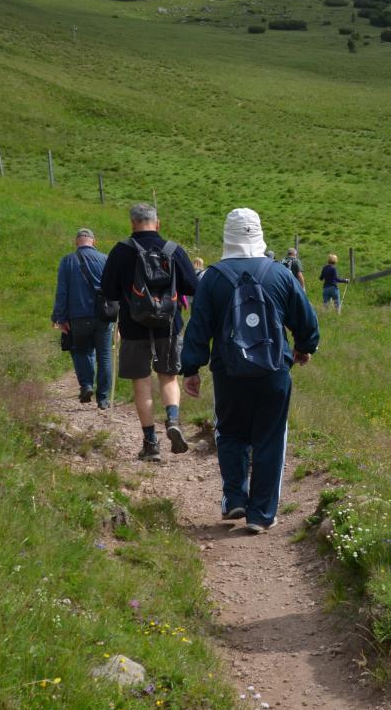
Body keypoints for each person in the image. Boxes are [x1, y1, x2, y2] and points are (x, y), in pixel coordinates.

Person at [182, 208, 320, 533]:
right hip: (273, 371)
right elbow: (306, 320)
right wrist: (304, 348)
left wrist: (191, 369)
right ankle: (260, 514)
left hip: (229, 372)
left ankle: (234, 498)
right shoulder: (279, 273)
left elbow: (198, 328)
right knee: (270, 439)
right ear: (259, 233)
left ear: (227, 235)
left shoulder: (213, 277)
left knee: (230, 432)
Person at [100, 203, 199, 463]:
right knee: (168, 377)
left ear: (132, 223)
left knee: (141, 383)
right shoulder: (173, 250)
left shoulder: (121, 251)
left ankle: (150, 443)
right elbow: (192, 286)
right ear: (158, 223)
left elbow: (108, 292)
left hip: (133, 327)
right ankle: (173, 419)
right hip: (169, 324)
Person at [51, 228, 114, 409]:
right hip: (103, 316)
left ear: (76, 241)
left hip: (78, 316)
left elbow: (62, 291)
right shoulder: (105, 259)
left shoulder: (68, 261)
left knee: (80, 350)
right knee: (104, 356)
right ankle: (103, 399)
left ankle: (86, 385)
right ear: (94, 241)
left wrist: (59, 317)